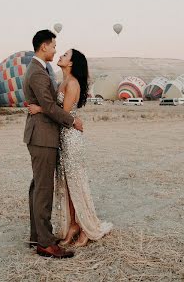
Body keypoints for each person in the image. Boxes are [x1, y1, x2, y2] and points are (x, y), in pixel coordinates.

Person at [28, 48, 113, 248]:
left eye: (65, 55)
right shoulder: (61, 82)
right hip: (62, 138)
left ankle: (85, 229)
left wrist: (41, 109)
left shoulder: (72, 83)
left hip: (71, 139)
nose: (60, 56)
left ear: (72, 63)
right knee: (66, 185)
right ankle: (73, 225)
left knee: (76, 184)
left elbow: (62, 114)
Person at [23, 30, 84, 259]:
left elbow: (44, 104)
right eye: (54, 46)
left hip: (41, 135)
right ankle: (46, 244)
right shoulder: (38, 72)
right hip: (42, 137)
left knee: (38, 187)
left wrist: (40, 107)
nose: (56, 50)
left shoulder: (40, 69)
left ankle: (37, 236)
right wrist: (72, 121)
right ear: (44, 46)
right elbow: (49, 106)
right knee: (43, 189)